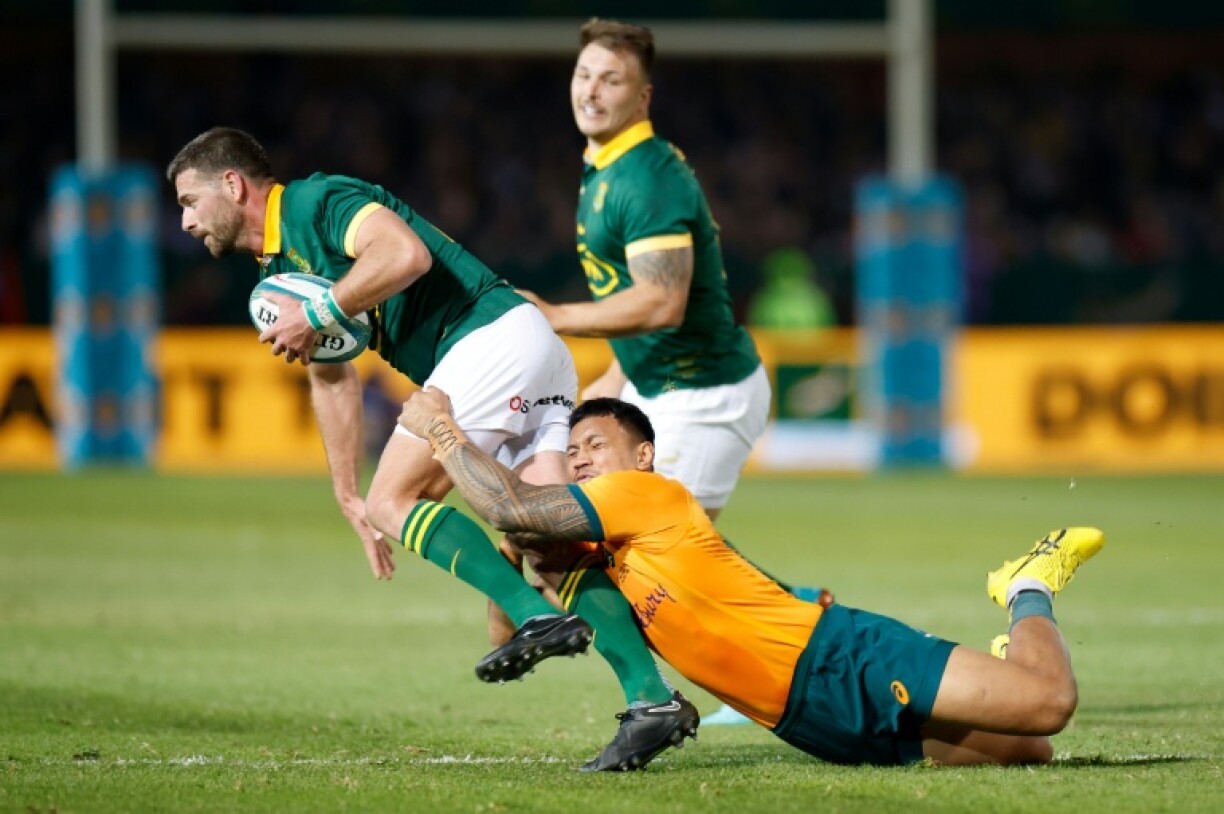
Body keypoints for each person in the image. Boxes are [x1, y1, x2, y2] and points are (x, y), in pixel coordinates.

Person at [167, 127, 698, 771]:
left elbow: (406, 255)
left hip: (486, 338)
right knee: (550, 544)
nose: (187, 221)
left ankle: (531, 614)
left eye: (190, 201)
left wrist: (324, 309)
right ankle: (653, 699)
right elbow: (332, 373)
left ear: (233, 185)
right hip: (525, 352)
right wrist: (346, 493)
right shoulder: (278, 273)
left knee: (400, 499)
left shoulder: (315, 203)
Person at [399, 387, 1106, 767]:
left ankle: (1026, 582)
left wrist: (440, 428)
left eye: (595, 445)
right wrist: (519, 553)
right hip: (805, 721)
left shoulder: (643, 495)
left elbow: (509, 502)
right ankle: (1011, 654)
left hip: (836, 657)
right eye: (573, 450)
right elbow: (516, 591)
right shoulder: (599, 559)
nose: (580, 460)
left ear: (642, 455)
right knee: (1026, 749)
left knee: (1047, 706)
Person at [515, 17, 827, 726]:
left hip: (705, 396)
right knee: (610, 540)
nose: (592, 90)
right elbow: (633, 323)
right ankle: (802, 617)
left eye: (611, 79)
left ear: (643, 96)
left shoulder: (647, 178)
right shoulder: (601, 171)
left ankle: (753, 668)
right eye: (584, 74)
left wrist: (555, 315)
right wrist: (579, 408)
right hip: (657, 387)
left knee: (641, 565)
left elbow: (661, 299)